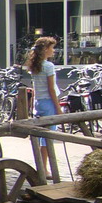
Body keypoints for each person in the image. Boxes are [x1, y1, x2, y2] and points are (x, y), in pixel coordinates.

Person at [26, 36, 60, 178]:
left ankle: (41, 165)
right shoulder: (48, 66)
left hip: (39, 102)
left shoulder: (35, 65)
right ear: (46, 49)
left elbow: (35, 88)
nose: (53, 50)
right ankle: (45, 169)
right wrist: (58, 108)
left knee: (41, 137)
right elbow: (51, 89)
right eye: (52, 48)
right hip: (48, 103)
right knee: (47, 137)